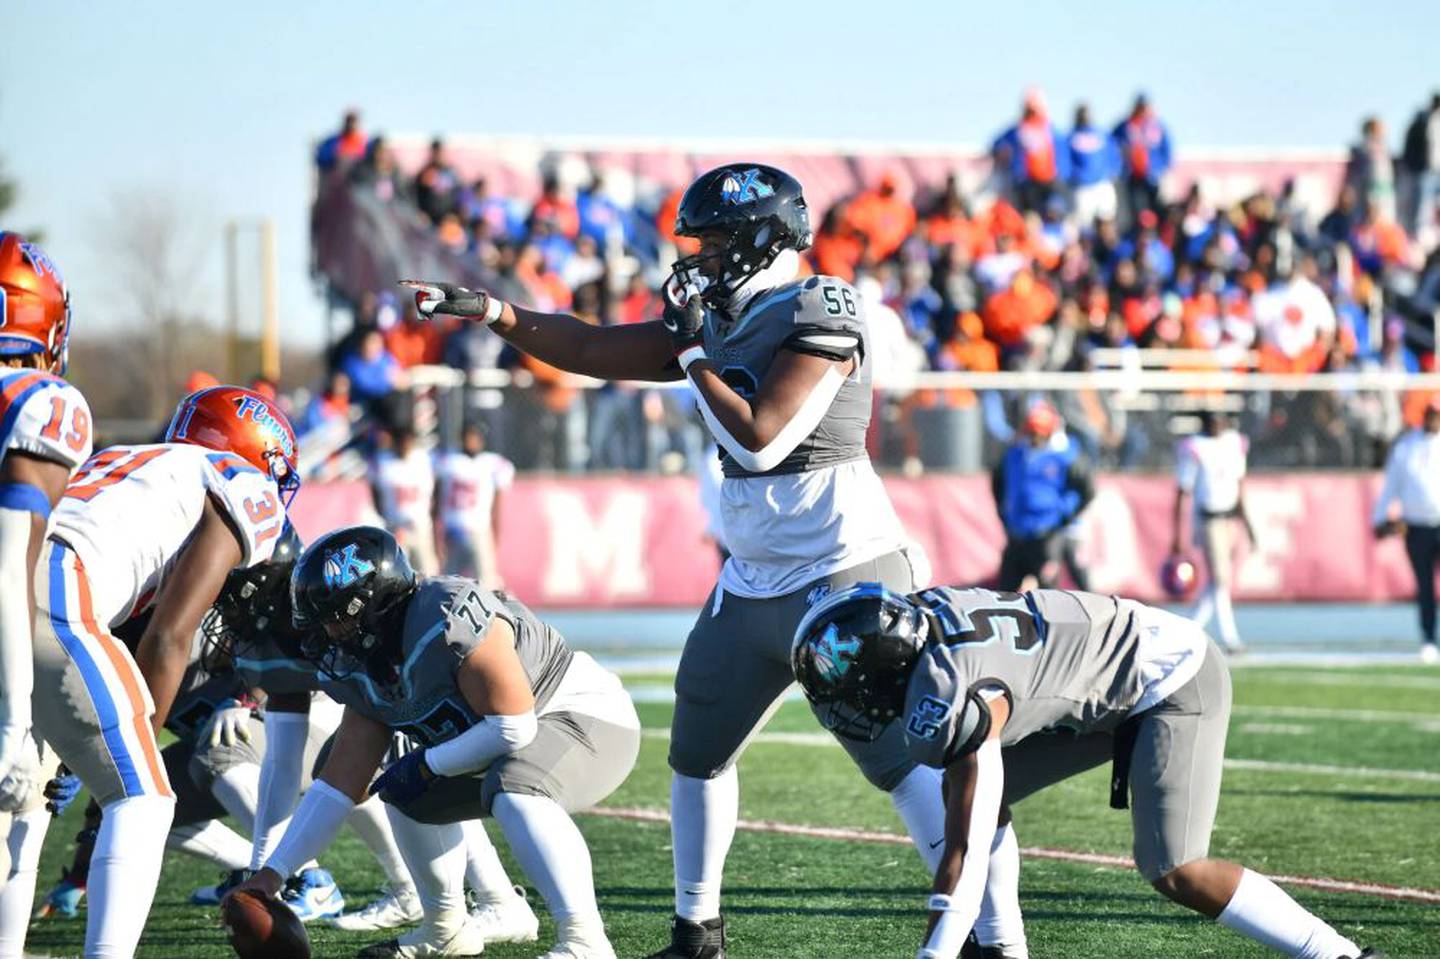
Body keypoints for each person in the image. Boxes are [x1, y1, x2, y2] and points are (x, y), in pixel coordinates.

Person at [402, 162, 945, 959]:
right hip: (755, 573)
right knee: (695, 750)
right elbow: (590, 345)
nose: (704, 259)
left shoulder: (819, 303)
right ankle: (698, 931)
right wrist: (495, 312)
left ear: (766, 237)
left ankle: (981, 928)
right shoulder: (723, 317)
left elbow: (763, 439)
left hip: (844, 569)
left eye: (719, 241)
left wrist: (692, 355)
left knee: (895, 758)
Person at [791, 584, 1386, 959]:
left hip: (1166, 677)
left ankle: (1339, 955)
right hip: (1098, 680)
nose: (844, 697)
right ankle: (1003, 948)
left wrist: (936, 949)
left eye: (846, 678)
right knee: (965, 792)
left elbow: (966, 852)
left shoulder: (946, 690)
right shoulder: (921, 624)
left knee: (1175, 867)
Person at [233, 526, 641, 959]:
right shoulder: (363, 662)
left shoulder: (445, 614)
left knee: (515, 786)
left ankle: (585, 941)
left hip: (579, 717)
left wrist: (429, 764)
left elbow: (514, 726)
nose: (329, 635)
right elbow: (337, 785)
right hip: (506, 740)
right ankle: (445, 928)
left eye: (338, 618)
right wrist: (273, 874)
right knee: (400, 788)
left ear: (377, 602)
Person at [29, 384, 298, 956]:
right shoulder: (242, 483)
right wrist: (127, 756)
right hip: (55, 582)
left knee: (22, 797)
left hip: (21, 568)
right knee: (144, 795)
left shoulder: (124, 457)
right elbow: (171, 635)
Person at [0, 234, 89, 916]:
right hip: (12, 648)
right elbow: (10, 560)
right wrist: (21, 715)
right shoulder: (39, 400)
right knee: (18, 814)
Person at [1173, 410, 1255, 652]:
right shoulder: (1195, 448)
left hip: (1230, 517)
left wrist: (1248, 523)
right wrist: (1178, 533)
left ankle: (1187, 629)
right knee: (1221, 579)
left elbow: (1240, 486)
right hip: (1209, 519)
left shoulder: (1233, 443)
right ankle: (1230, 639)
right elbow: (1183, 490)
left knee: (1218, 581)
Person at [990, 401, 1093, 591]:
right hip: (1018, 535)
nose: (1034, 438)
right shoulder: (1015, 455)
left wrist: (1062, 517)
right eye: (1031, 432)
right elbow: (997, 484)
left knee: (1049, 592)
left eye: (1039, 433)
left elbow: (1087, 491)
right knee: (1004, 592)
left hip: (1047, 535)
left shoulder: (1065, 458)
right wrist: (1004, 515)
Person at [1373, 395, 1440, 663]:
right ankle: (1428, 638)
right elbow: (1391, 484)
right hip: (1416, 526)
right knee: (1424, 586)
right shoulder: (1407, 446)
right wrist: (1379, 518)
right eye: (1432, 414)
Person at [433, 422, 514, 587]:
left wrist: (496, 533)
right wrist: (437, 532)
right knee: (449, 581)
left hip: (479, 530)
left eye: (474, 437)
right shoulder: (447, 461)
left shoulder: (492, 464)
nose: (470, 441)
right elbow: (436, 500)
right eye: (467, 437)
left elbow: (497, 506)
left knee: (486, 582)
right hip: (453, 529)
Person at [372, 426, 439, 576]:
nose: (405, 446)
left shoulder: (424, 460)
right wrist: (387, 517)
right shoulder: (384, 462)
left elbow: (436, 490)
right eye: (401, 442)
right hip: (396, 527)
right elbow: (375, 491)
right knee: (398, 573)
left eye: (408, 442)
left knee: (427, 572)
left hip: (420, 527)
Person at [1112, 94, 1172, 225]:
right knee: (1135, 211)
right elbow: (1112, 146)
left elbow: (1167, 150)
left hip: (1152, 177)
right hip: (1131, 177)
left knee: (1157, 209)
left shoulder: (1157, 126)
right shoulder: (1125, 126)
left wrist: (1160, 169)